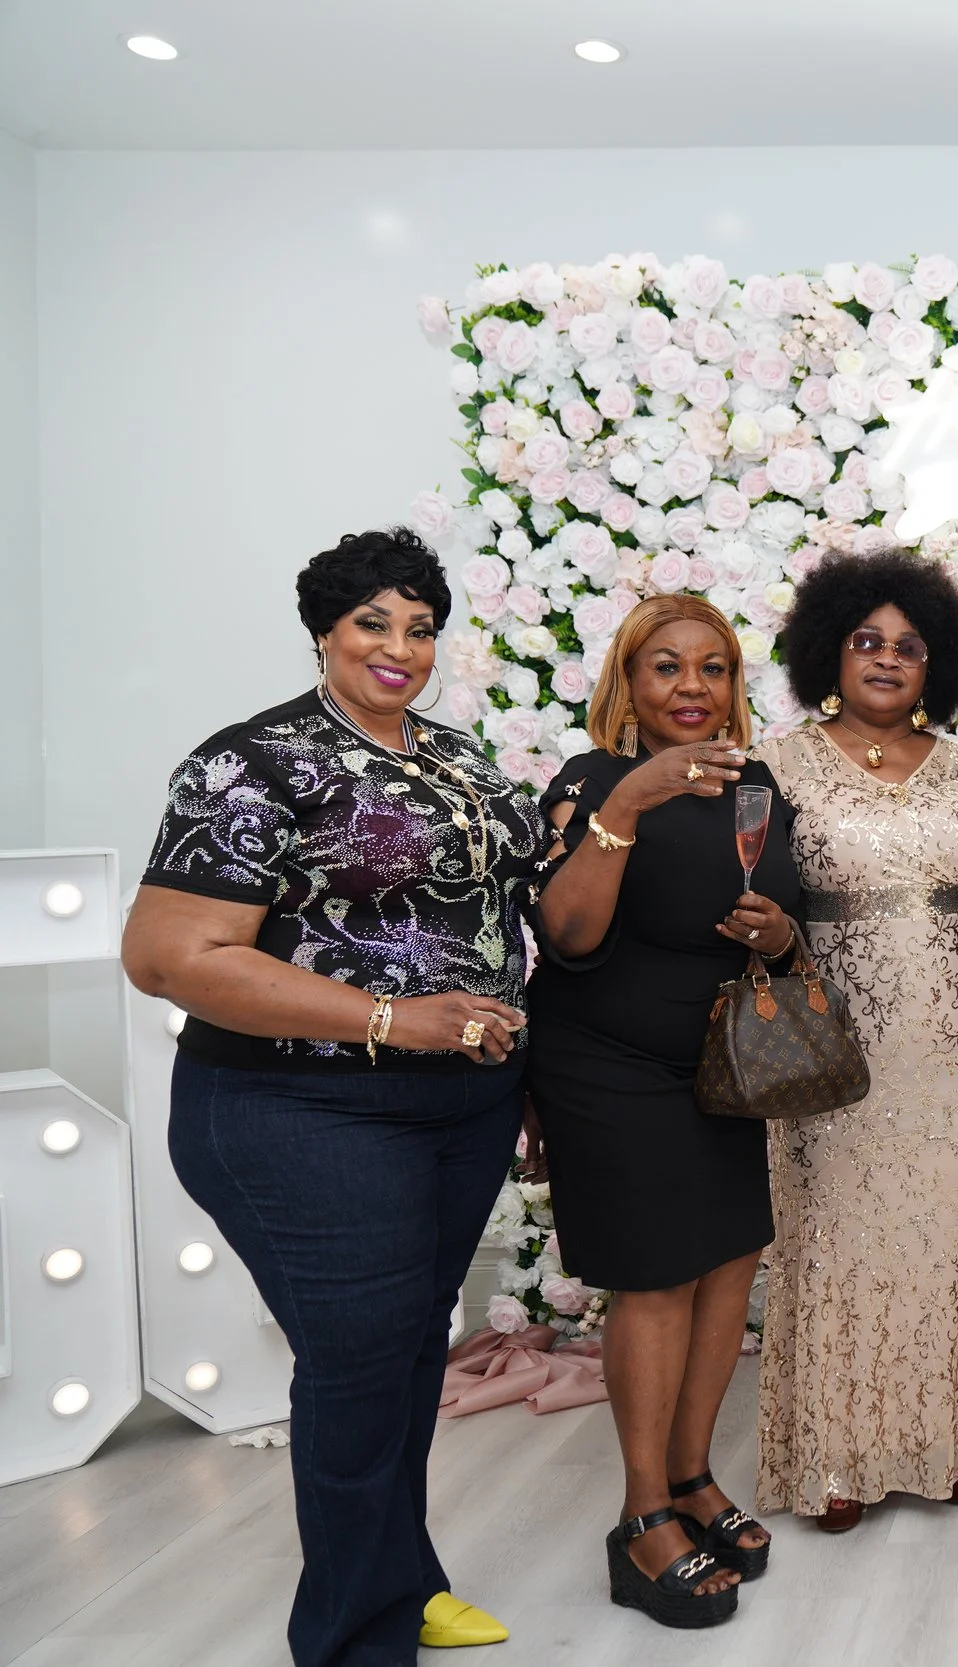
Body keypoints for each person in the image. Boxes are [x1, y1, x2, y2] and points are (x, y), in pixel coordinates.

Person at [121, 528, 533, 1666]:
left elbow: (515, 920)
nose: (400, 647)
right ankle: (355, 1637)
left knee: (406, 1348)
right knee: (358, 1358)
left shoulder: (461, 760)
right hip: (296, 1106)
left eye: (420, 627)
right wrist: (395, 1019)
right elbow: (168, 955)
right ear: (324, 631)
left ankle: (401, 1577)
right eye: (372, 623)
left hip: (458, 1108)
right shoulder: (252, 762)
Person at [527, 595, 802, 1630]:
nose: (692, 687)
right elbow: (567, 935)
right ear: (627, 683)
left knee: (729, 1262)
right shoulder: (590, 780)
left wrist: (777, 932)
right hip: (608, 1067)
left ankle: (690, 1478)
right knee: (655, 1281)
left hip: (723, 1066)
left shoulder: (755, 780)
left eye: (714, 668)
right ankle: (641, 1516)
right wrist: (629, 803)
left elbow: (784, 919)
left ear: (735, 683)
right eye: (666, 667)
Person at [751, 552, 958, 1531]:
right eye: (867, 640)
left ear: (936, 662)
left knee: (954, 1231)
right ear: (829, 649)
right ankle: (839, 1455)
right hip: (835, 1038)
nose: (888, 659)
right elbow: (753, 895)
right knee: (839, 1236)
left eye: (909, 646)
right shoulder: (777, 764)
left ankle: (949, 1444)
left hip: (957, 1033)